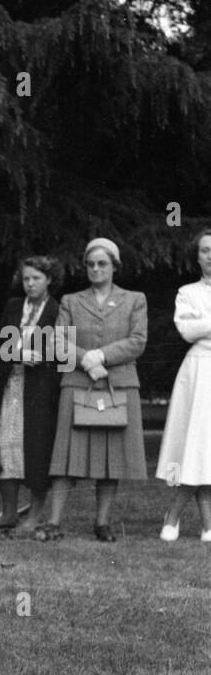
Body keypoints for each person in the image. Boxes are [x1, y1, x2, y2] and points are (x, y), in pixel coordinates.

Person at [38, 237, 148, 542]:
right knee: (66, 456)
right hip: (77, 384)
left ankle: (102, 523)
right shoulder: (72, 301)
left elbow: (138, 341)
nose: (96, 269)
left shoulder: (134, 299)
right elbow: (57, 341)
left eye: (102, 264)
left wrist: (101, 355)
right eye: (90, 264)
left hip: (119, 386)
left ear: (115, 267)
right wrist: (85, 359)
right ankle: (53, 521)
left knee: (111, 459)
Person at [0, 255, 62, 533]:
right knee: (6, 447)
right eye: (26, 278)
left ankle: (34, 516)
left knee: (37, 450)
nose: (30, 284)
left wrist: (43, 354)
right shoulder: (13, 306)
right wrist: (17, 353)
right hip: (10, 386)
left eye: (36, 279)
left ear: (49, 279)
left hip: (40, 389)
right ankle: (8, 514)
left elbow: (63, 350)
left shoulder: (57, 309)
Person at [156, 227, 211, 541]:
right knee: (193, 444)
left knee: (208, 447)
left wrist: (202, 322)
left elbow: (196, 326)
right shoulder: (187, 292)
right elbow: (187, 331)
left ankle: (186, 519)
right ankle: (185, 519)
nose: (210, 256)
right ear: (197, 256)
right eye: (204, 250)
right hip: (199, 371)